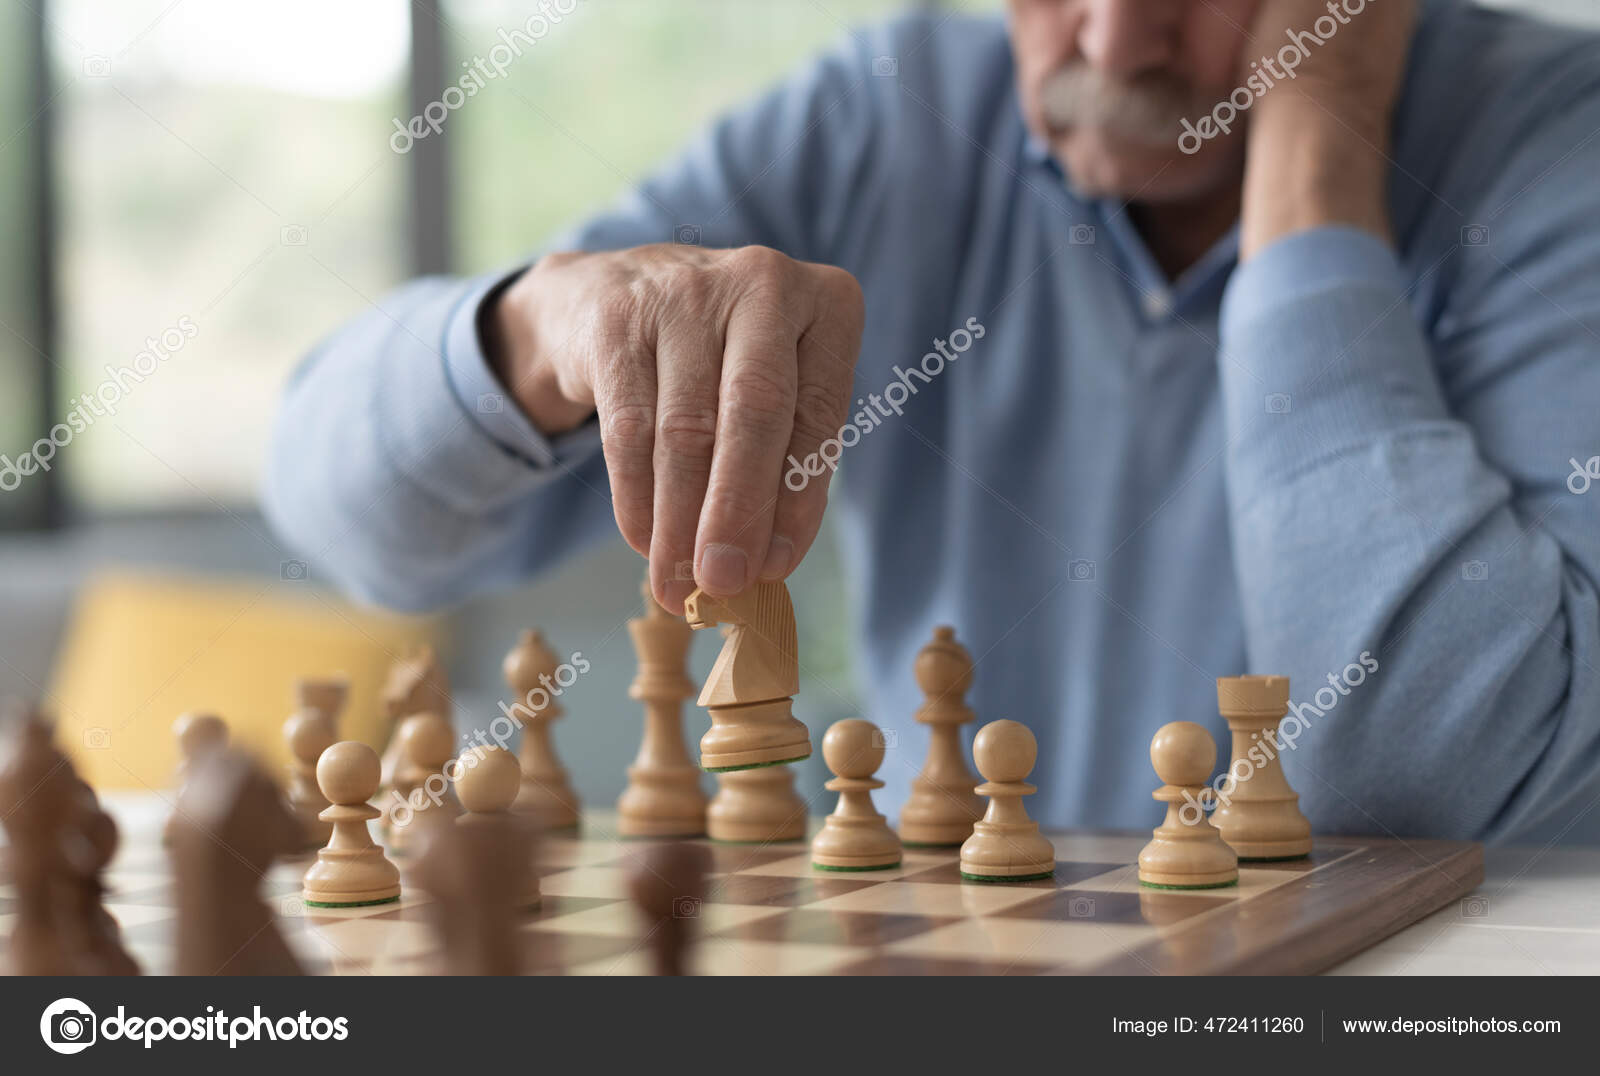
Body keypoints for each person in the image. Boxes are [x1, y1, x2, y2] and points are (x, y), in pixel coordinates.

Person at [264, 0, 1600, 843]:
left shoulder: (1561, 138)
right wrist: (538, 327)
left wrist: (1321, 153)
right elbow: (355, 524)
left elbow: (1432, 771)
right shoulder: (881, 114)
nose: (1117, 39)